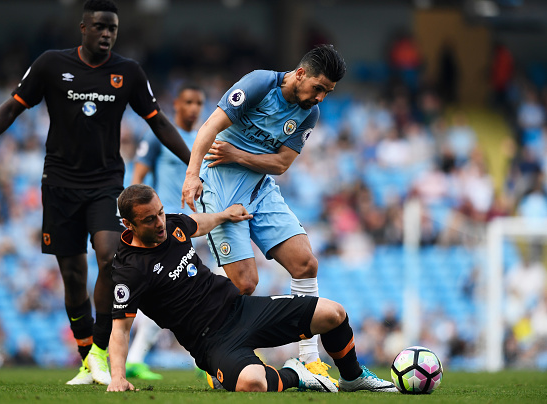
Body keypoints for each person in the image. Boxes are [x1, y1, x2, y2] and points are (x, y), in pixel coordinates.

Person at [0, 0, 190, 386]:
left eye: (112, 29)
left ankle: (100, 349)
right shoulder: (51, 64)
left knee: (108, 256)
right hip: (60, 184)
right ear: (83, 28)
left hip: (105, 185)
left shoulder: (128, 72)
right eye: (99, 26)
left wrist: (192, 161)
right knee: (72, 273)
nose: (106, 34)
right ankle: (87, 357)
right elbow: (12, 108)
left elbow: (159, 123)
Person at [108, 184, 396, 393]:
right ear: (128, 224)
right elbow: (120, 329)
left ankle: (352, 378)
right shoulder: (129, 271)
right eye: (150, 219)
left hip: (242, 309)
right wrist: (117, 377)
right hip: (211, 342)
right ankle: (297, 374)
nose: (160, 223)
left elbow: (197, 222)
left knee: (334, 314)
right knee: (253, 383)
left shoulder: (171, 226)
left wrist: (225, 215)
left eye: (160, 213)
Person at [181, 44, 346, 382]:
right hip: (221, 189)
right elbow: (209, 128)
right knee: (244, 284)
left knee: (305, 263)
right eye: (318, 88)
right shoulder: (259, 84)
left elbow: (282, 164)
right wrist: (191, 175)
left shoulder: (308, 113)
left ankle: (309, 359)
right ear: (300, 74)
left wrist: (238, 155)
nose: (320, 98)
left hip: (260, 188)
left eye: (327, 92)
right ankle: (217, 353)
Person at [124, 83, 205, 380]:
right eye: (189, 101)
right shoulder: (158, 136)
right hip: (168, 223)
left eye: (199, 102)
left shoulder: (203, 138)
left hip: (198, 222)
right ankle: (135, 358)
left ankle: (205, 355)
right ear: (176, 105)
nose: (194, 108)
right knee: (169, 290)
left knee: (209, 286)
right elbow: (138, 178)